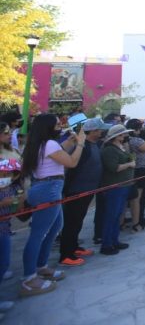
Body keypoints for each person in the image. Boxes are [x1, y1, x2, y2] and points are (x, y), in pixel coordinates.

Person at [20, 114, 85, 296]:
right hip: (48, 189)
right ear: (48, 127)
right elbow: (71, 162)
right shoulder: (49, 144)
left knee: (55, 227)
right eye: (58, 124)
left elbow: (57, 154)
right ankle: (29, 278)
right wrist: (80, 143)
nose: (61, 126)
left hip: (48, 187)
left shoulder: (43, 144)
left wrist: (71, 142)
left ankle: (41, 266)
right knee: (38, 234)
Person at [59, 118, 110, 266]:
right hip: (76, 191)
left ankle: (74, 247)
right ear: (93, 131)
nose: (102, 132)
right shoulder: (82, 147)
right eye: (100, 129)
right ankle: (66, 254)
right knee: (71, 222)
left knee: (78, 221)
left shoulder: (94, 145)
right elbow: (72, 168)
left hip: (88, 190)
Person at [99, 125, 136, 255]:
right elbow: (113, 167)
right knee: (111, 215)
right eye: (121, 134)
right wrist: (129, 164)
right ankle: (107, 243)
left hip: (123, 185)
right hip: (114, 186)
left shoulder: (119, 147)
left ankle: (114, 240)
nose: (124, 136)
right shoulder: (109, 150)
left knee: (117, 215)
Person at [0, 155, 23, 314]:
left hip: (5, 229)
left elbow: (17, 212)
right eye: (2, 174)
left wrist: (19, 200)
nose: (5, 178)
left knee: (4, 263)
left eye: (9, 174)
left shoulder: (14, 188)